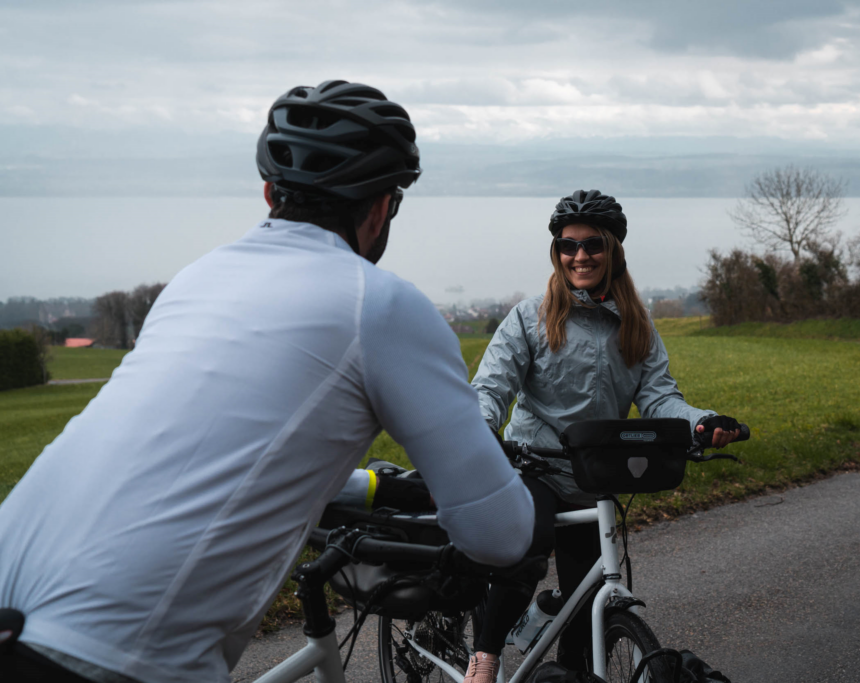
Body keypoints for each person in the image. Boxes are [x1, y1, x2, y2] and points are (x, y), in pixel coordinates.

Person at [0, 80, 534, 683]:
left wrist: (374, 491)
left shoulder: (197, 279)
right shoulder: (380, 305)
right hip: (108, 652)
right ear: (383, 206)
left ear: (268, 192)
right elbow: (501, 534)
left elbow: (208, 453)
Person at [463, 189, 741, 683]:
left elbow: (659, 398)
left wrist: (700, 422)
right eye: (568, 247)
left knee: (586, 608)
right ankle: (484, 657)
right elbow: (491, 388)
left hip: (595, 475)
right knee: (527, 549)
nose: (580, 256)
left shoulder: (635, 323)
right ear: (557, 254)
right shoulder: (530, 317)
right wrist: (479, 431)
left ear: (612, 250)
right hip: (534, 466)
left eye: (592, 245)